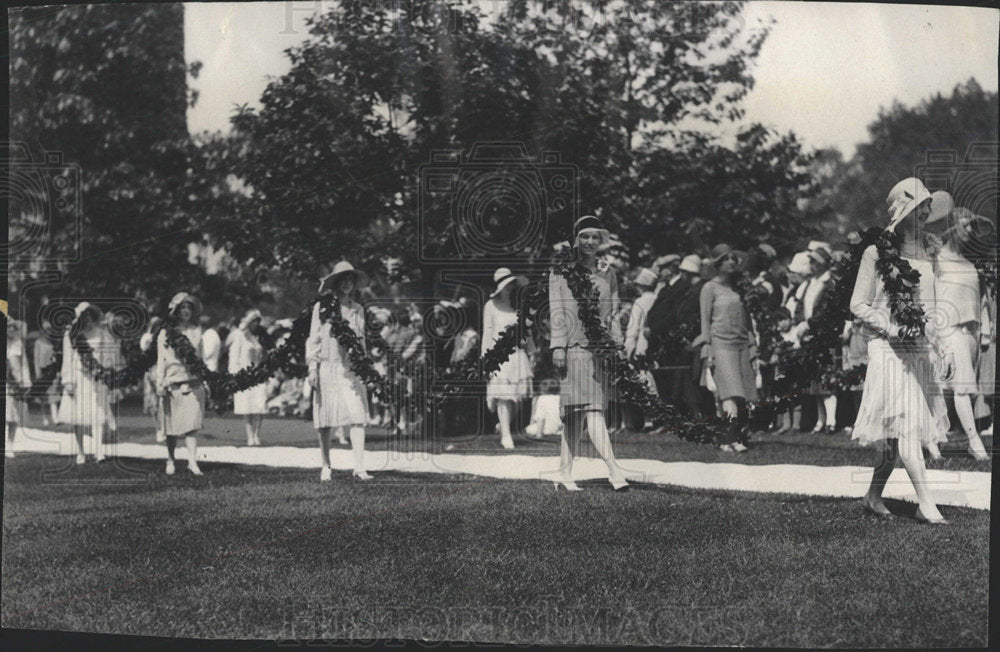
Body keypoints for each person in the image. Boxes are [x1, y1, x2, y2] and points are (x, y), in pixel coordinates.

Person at [851, 177, 949, 524]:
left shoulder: (931, 252)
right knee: (906, 424)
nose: (926, 210)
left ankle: (873, 496)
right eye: (920, 205)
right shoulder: (876, 253)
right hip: (887, 348)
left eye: (927, 206)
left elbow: (933, 306)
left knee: (896, 434)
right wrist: (892, 328)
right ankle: (926, 503)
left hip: (918, 348)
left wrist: (940, 344)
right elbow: (858, 304)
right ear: (904, 211)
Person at [549, 215, 630, 491]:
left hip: (600, 350)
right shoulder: (561, 272)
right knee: (593, 409)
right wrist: (558, 346)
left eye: (595, 237)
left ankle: (563, 473)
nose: (590, 242)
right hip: (573, 348)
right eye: (585, 236)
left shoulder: (608, 272)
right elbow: (557, 311)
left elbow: (613, 313)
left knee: (575, 416)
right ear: (576, 240)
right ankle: (615, 470)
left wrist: (617, 344)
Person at [925, 193, 989, 460]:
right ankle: (975, 443)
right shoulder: (937, 259)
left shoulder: (971, 263)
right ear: (952, 229)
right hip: (948, 330)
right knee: (960, 388)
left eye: (971, 226)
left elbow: (981, 299)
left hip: (970, 331)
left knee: (950, 388)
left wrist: (983, 329)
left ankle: (931, 440)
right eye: (965, 226)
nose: (969, 231)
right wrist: (934, 332)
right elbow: (929, 295)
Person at [307, 261, 373, 481]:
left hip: (350, 368)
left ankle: (359, 466)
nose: (347, 283)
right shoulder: (322, 308)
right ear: (335, 282)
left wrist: (364, 366)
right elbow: (314, 338)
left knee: (357, 415)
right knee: (326, 418)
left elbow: (362, 340)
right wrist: (312, 367)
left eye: (350, 279)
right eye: (343, 279)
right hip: (327, 366)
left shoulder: (358, 310)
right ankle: (326, 465)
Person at [699, 244, 758, 452]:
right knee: (728, 393)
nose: (731, 262)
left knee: (743, 395)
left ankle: (736, 435)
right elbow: (705, 320)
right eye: (726, 259)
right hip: (720, 344)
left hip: (741, 343)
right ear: (717, 264)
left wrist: (752, 346)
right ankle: (729, 437)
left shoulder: (741, 287)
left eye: (733, 258)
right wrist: (707, 348)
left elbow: (748, 320)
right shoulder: (709, 288)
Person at [58, 302, 116, 464]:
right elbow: (67, 359)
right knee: (78, 416)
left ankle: (99, 451)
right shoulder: (71, 335)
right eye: (85, 316)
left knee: (97, 414)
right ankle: (81, 452)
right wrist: (67, 380)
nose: (88, 319)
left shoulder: (101, 334)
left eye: (90, 316)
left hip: (95, 378)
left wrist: (105, 371)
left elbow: (108, 354)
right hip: (78, 378)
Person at [156, 293, 206, 476]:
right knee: (172, 427)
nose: (186, 311)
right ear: (176, 310)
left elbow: (201, 356)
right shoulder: (165, 333)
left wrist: (204, 377)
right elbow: (161, 358)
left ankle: (192, 462)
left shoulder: (196, 331)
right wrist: (160, 382)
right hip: (173, 381)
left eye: (189, 308)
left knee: (192, 424)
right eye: (183, 307)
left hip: (192, 381)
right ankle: (171, 459)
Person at [483, 268, 534, 449]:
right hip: (499, 356)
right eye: (507, 285)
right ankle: (506, 434)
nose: (510, 288)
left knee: (517, 398)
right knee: (504, 396)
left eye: (512, 284)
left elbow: (526, 331)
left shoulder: (518, 305)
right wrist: (486, 360)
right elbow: (487, 334)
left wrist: (531, 351)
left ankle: (502, 424)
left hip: (518, 355)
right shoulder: (490, 306)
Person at [804, 245, 839, 434]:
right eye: (811, 261)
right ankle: (821, 420)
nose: (811, 265)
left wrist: (811, 323)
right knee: (816, 379)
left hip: (824, 334)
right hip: (812, 334)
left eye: (815, 262)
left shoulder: (829, 283)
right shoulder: (812, 282)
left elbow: (825, 310)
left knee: (827, 378)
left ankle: (831, 420)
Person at [229, 308, 268, 447]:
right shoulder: (240, 335)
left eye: (257, 322)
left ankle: (257, 434)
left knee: (260, 404)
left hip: (258, 374)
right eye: (253, 322)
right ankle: (250, 436)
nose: (255, 324)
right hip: (245, 374)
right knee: (247, 406)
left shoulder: (258, 337)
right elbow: (234, 356)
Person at [6, 318, 30, 458]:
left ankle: (10, 444)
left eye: (13, 327)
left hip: (15, 383)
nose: (11, 330)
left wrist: (25, 382)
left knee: (13, 415)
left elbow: (24, 364)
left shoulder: (18, 344)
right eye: (8, 327)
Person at [30, 316, 61, 427]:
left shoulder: (53, 343)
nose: (48, 332)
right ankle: (44, 417)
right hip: (42, 372)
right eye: (46, 330)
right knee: (43, 396)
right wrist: (37, 372)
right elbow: (36, 358)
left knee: (53, 394)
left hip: (51, 371)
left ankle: (55, 418)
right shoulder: (38, 342)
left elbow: (55, 358)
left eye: (50, 330)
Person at [140, 316, 164, 442]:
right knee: (153, 403)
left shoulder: (164, 339)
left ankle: (163, 428)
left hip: (161, 370)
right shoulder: (147, 339)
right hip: (151, 370)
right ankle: (158, 429)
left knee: (161, 401)